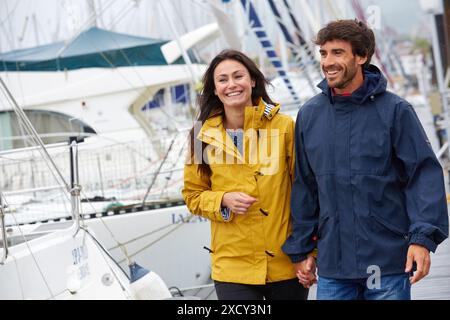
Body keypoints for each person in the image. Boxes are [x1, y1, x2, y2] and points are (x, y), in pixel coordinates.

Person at [282, 19, 449, 300]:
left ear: (361, 56)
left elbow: (423, 176)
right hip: (334, 266)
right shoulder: (309, 115)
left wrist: (422, 239)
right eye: (323, 53)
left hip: (388, 263)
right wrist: (301, 249)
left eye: (337, 53)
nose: (328, 61)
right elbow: (305, 187)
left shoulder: (396, 111)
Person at [182, 49, 308, 300]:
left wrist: (309, 253)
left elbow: (307, 192)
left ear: (252, 80)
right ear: (215, 89)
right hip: (232, 267)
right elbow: (192, 195)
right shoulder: (201, 135)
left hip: (285, 262)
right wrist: (223, 200)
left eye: (238, 76)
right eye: (222, 80)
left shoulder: (284, 127)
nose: (231, 85)